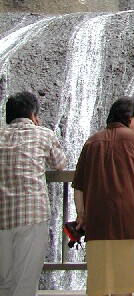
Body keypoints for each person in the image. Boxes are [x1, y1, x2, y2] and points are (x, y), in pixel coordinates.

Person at [72, 96, 134, 296]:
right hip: (127, 220)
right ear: (130, 117)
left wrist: (81, 214)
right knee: (124, 284)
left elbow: (78, 185)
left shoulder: (92, 141)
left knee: (99, 283)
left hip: (97, 221)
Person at [0, 91, 67, 296]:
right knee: (26, 281)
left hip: (2, 215)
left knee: (3, 280)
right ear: (33, 115)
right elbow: (60, 164)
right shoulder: (44, 134)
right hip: (32, 214)